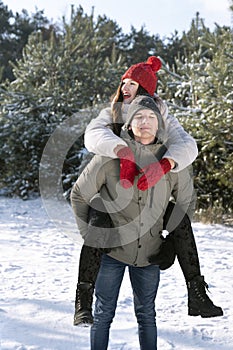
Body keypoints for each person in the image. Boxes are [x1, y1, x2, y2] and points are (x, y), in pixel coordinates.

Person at [73, 56, 223, 326]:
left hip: (151, 186)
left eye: (133, 83)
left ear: (146, 90)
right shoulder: (114, 110)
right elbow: (93, 135)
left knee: (179, 215)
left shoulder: (162, 113)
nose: (125, 86)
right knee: (99, 213)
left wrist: (166, 164)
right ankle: (83, 299)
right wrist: (123, 151)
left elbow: (188, 145)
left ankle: (197, 292)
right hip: (118, 186)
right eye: (124, 82)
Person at [71, 95, 197, 350]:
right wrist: (93, 237)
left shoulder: (173, 162)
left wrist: (170, 243)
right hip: (111, 255)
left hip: (150, 255)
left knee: (147, 315)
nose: (145, 121)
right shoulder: (109, 158)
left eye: (151, 117)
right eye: (138, 116)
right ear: (129, 124)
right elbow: (79, 196)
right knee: (103, 313)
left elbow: (184, 206)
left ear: (160, 124)